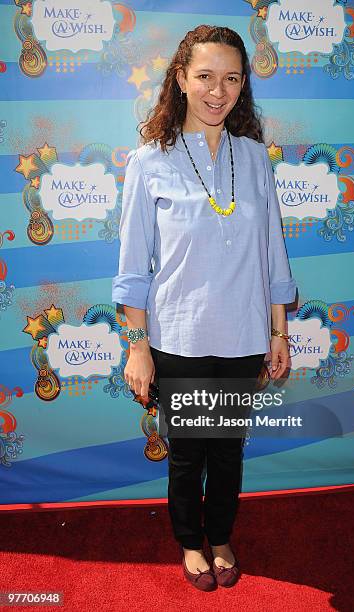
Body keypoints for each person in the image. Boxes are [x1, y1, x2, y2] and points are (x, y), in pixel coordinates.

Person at [112, 24, 297, 591]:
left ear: (243, 86)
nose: (219, 91)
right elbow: (133, 264)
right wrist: (138, 348)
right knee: (188, 455)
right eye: (206, 76)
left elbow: (274, 251)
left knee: (228, 454)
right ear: (181, 79)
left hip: (244, 338)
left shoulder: (255, 158)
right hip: (180, 338)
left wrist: (279, 332)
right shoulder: (150, 161)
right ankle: (191, 543)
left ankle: (221, 536)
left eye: (232, 78)